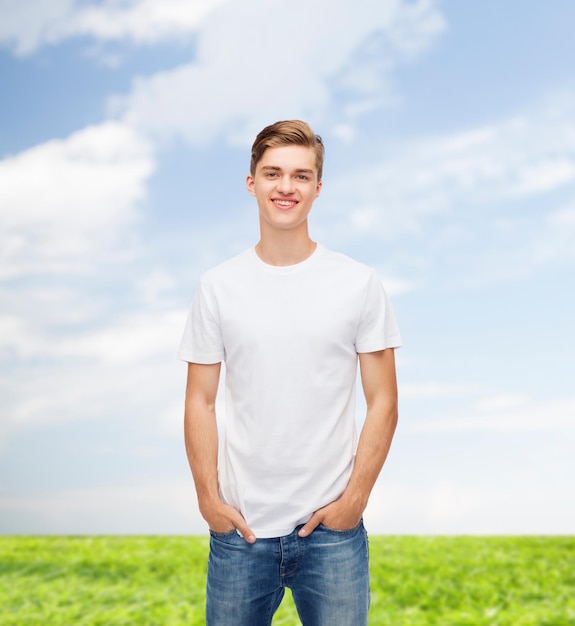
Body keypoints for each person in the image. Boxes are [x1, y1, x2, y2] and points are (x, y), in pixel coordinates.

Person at [178, 120, 401, 625]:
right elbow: (200, 400)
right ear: (251, 181)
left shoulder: (358, 284)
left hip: (332, 534)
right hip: (240, 531)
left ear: (318, 188)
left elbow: (384, 400)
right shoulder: (218, 286)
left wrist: (354, 501)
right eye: (273, 172)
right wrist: (209, 501)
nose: (286, 187)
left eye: (301, 176)